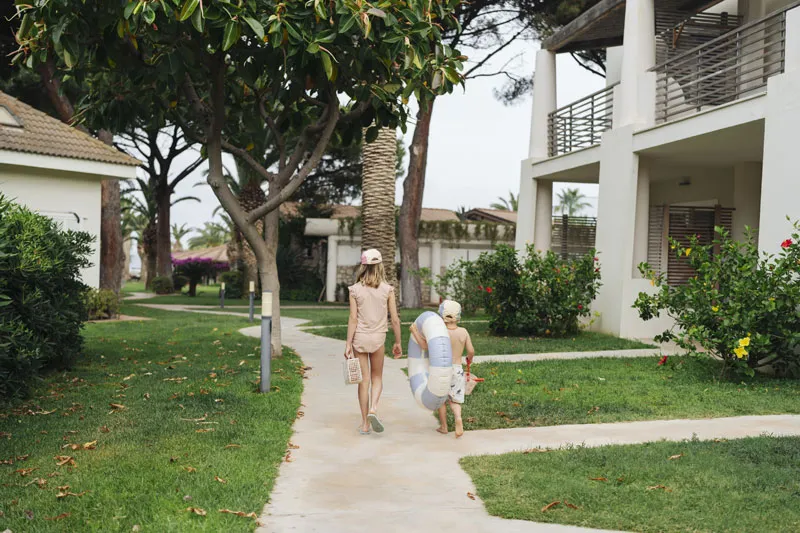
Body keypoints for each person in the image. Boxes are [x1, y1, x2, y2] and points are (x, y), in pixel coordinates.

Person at [345, 249, 402, 435]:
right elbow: (394, 319)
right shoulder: (388, 290)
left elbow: (353, 318)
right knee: (377, 377)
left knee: (364, 381)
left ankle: (364, 425)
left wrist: (348, 344)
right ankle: (373, 409)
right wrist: (398, 342)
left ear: (363, 266)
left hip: (360, 338)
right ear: (380, 266)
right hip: (378, 338)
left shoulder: (355, 290)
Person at [416, 300, 474, 438]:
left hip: (442, 369)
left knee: (441, 399)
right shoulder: (463, 332)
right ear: (459, 316)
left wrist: (414, 330)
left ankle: (444, 427)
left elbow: (424, 346)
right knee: (455, 400)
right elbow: (471, 350)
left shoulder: (440, 332)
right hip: (458, 369)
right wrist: (469, 358)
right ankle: (458, 418)